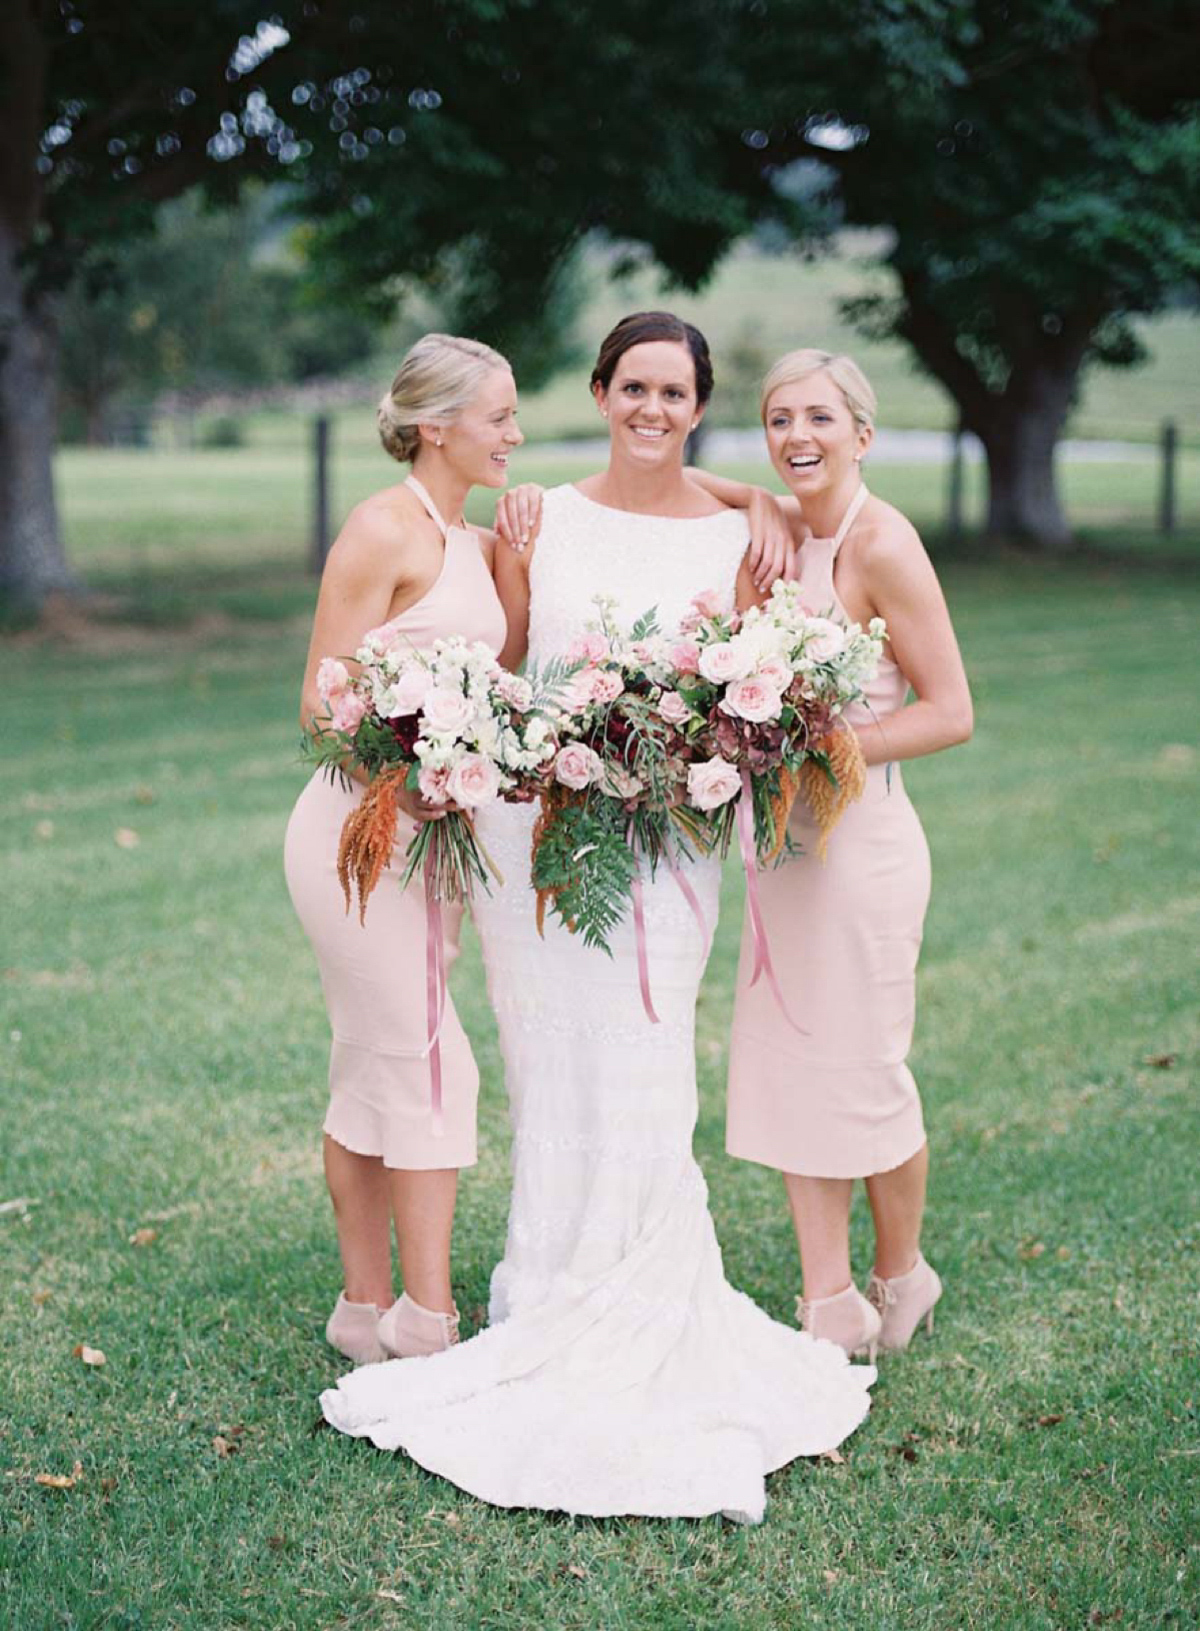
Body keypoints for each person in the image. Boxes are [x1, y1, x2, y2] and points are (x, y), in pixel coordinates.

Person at [320, 313, 875, 1525]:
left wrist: (753, 504)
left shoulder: (744, 530)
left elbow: (742, 677)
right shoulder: (536, 516)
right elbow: (510, 661)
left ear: (698, 402)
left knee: (649, 1052)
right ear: (602, 389)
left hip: (673, 840)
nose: (652, 409)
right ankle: (550, 1276)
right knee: (544, 1058)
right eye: (633, 386)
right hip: (535, 838)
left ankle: (645, 1284)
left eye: (676, 391)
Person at [694, 349, 973, 1358]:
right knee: (785, 1066)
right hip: (779, 849)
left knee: (861, 1071)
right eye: (777, 420)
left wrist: (825, 743)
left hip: (864, 850)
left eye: (818, 416)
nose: (797, 437)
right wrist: (756, 503)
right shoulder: (773, 540)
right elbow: (687, 477)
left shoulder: (883, 544)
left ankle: (902, 1270)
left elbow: (951, 711)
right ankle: (827, 1298)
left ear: (862, 430)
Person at [284, 334, 524, 1367]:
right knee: (432, 1064)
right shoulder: (383, 529)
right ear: (436, 426)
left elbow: (494, 663)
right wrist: (417, 770)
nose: (514, 433)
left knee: (375, 1065)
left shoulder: (467, 538)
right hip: (356, 834)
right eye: (499, 416)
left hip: (434, 845)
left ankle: (364, 1305)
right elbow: (319, 703)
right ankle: (427, 1323)